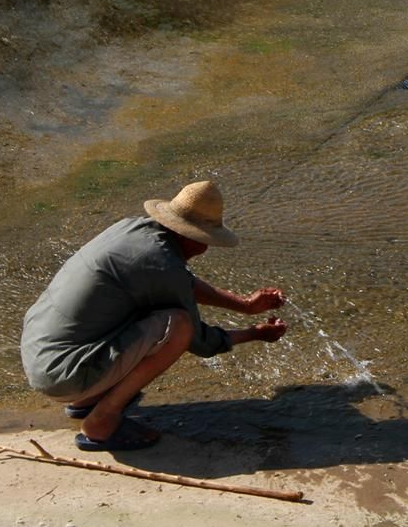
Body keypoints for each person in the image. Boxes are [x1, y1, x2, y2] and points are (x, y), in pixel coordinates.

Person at [20, 180, 289, 451]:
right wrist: (254, 333)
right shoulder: (161, 265)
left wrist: (244, 305)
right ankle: (102, 421)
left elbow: (181, 282)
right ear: (192, 237)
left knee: (140, 310)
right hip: (63, 374)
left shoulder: (133, 230)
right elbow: (200, 342)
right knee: (179, 326)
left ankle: (88, 401)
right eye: (206, 241)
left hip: (41, 354)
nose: (206, 249)